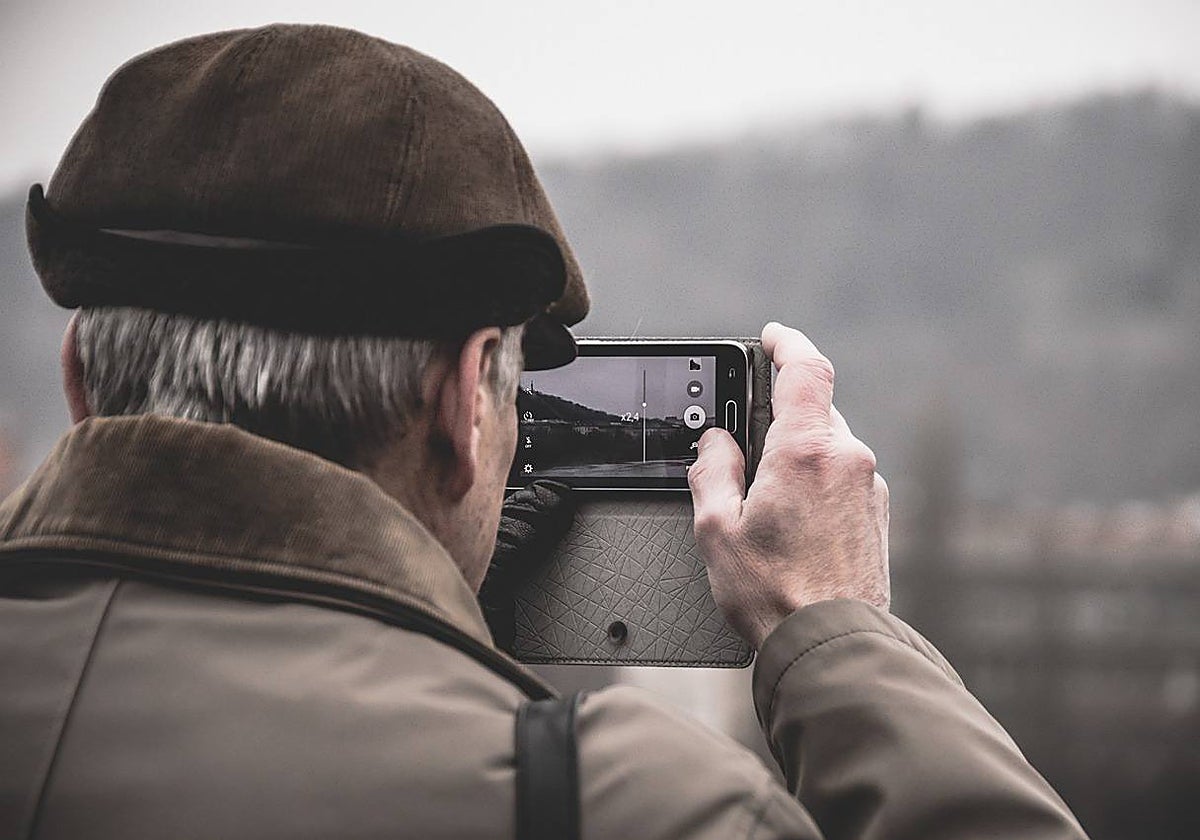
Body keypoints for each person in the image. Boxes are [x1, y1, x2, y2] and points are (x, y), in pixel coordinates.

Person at [0, 23, 1087, 840]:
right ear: (465, 402)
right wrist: (838, 632)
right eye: (516, 393)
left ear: (80, 379)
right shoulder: (625, 805)